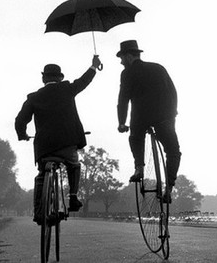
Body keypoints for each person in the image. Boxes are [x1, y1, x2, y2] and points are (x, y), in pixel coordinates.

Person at [15, 55, 102, 224]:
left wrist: (22, 135)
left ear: (43, 79)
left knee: (41, 175)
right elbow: (83, 81)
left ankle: (39, 212)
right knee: (74, 164)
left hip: (45, 147)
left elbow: (20, 121)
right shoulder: (67, 88)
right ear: (61, 78)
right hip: (67, 143)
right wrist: (93, 66)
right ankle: (73, 197)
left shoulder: (33, 97)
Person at [116, 40, 181, 202]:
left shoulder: (127, 73)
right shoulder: (158, 68)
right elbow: (173, 92)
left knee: (135, 137)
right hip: (164, 117)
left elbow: (123, 99)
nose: (121, 61)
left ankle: (139, 168)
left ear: (129, 56)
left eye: (122, 57)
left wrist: (122, 122)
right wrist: (172, 114)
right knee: (173, 151)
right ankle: (170, 188)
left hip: (140, 118)